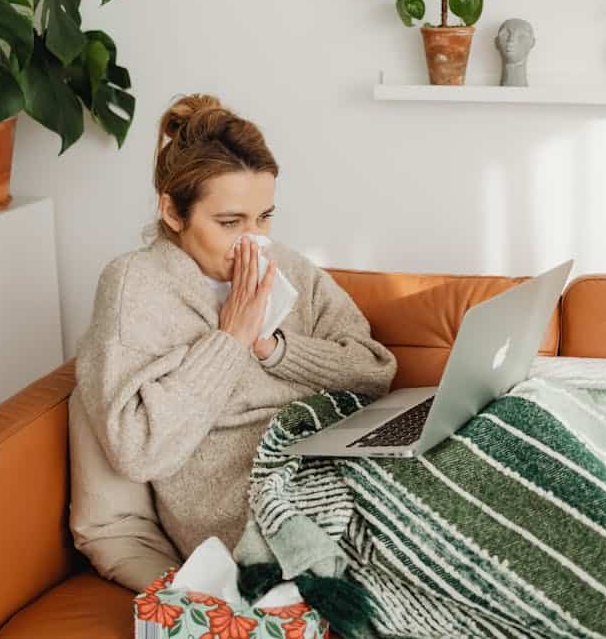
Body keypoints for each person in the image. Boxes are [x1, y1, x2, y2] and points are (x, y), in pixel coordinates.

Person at [69, 94, 398, 591]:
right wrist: (231, 339)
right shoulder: (135, 287)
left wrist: (274, 349)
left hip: (334, 463)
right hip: (246, 510)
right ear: (172, 211)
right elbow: (139, 450)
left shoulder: (288, 268)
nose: (253, 241)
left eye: (264, 217)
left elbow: (375, 370)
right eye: (230, 223)